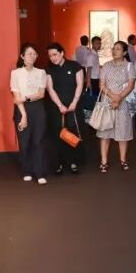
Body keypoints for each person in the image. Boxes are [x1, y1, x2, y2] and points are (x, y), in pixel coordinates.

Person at [9, 43, 49, 185]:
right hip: (21, 109)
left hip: (38, 109)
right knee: (24, 142)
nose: (32, 56)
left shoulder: (41, 72)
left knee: (38, 141)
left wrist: (26, 97)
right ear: (22, 56)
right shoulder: (15, 73)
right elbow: (16, 97)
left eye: (34, 54)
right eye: (29, 54)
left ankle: (40, 172)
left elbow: (41, 94)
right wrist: (24, 115)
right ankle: (26, 170)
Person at [96, 41, 136, 172]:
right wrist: (113, 96)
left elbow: (131, 85)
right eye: (113, 49)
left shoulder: (129, 66)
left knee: (122, 132)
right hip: (107, 101)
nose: (114, 51)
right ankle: (103, 161)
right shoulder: (106, 66)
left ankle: (123, 160)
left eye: (118, 49)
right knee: (105, 133)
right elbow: (101, 85)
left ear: (124, 52)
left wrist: (119, 97)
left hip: (123, 102)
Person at [45, 42, 85, 175]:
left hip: (74, 106)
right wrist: (60, 105)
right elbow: (50, 89)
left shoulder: (75, 66)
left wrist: (74, 102)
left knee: (72, 134)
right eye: (50, 55)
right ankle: (59, 163)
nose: (53, 58)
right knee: (58, 134)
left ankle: (73, 162)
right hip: (56, 107)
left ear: (62, 53)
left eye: (55, 54)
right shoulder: (49, 69)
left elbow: (80, 85)